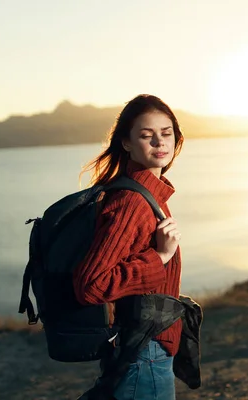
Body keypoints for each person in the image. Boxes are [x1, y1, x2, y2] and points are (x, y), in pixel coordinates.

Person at [74, 94, 185, 400]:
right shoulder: (132, 202)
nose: (159, 143)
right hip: (143, 352)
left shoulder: (148, 193)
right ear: (126, 143)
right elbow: (90, 285)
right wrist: (160, 257)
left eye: (166, 133)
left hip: (146, 347)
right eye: (146, 136)